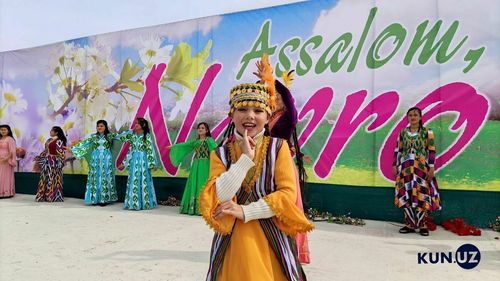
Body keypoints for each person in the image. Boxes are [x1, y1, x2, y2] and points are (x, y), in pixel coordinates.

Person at [200, 81, 314, 281]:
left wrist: (245, 211)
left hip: (270, 239)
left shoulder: (279, 148)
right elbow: (219, 195)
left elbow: (287, 194)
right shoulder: (219, 153)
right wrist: (244, 160)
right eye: (242, 109)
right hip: (231, 241)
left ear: (268, 116)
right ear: (231, 115)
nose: (250, 115)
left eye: (258, 110)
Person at [254, 55, 311, 263]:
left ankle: (290, 247)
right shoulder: (266, 118)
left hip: (283, 161)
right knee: (267, 201)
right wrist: (263, 82)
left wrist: (271, 79)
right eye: (273, 96)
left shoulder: (289, 117)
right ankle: (269, 244)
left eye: (278, 97)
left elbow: (287, 95)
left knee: (286, 203)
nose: (276, 99)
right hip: (265, 161)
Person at [393, 107, 441, 236]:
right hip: (405, 168)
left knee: (422, 194)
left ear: (420, 117)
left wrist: (431, 167)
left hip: (421, 168)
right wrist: (395, 165)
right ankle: (409, 224)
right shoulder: (402, 132)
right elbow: (398, 150)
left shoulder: (427, 132)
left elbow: (431, 150)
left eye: (415, 115)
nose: (413, 117)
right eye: (410, 115)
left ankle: (422, 225)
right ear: (408, 118)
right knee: (406, 193)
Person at [167, 122, 217, 215]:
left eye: (202, 128)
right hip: (196, 165)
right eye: (199, 128)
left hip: (205, 165)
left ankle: (204, 207)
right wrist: (173, 147)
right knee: (194, 182)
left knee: (203, 183)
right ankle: (193, 208)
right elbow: (184, 145)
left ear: (207, 130)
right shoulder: (196, 141)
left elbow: (215, 151)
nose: (200, 129)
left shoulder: (209, 140)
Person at [71, 120, 118, 206]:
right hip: (95, 158)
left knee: (105, 176)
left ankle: (104, 199)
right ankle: (95, 198)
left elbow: (121, 136)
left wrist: (131, 132)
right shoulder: (93, 137)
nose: (99, 127)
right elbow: (84, 144)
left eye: (101, 126)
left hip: (106, 159)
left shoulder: (110, 136)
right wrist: (73, 148)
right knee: (95, 176)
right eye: (98, 126)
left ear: (105, 127)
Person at [116, 118, 158, 210]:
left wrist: (152, 164)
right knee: (134, 179)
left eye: (138, 124)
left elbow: (150, 150)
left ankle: (145, 203)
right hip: (134, 160)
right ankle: (134, 202)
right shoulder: (133, 136)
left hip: (143, 160)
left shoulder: (146, 136)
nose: (136, 125)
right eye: (135, 123)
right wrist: (124, 163)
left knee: (144, 179)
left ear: (143, 126)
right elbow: (130, 150)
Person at [35, 126, 66, 202]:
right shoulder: (49, 140)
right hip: (47, 161)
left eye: (52, 131)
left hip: (54, 162)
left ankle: (52, 196)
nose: (50, 132)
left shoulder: (59, 141)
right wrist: (39, 157)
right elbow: (46, 151)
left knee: (53, 178)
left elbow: (61, 153)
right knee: (45, 178)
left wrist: (60, 162)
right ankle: (43, 196)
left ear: (56, 132)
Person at [0, 124, 16, 198]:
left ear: (8, 131)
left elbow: (12, 151)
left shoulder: (10, 139)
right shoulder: (0, 139)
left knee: (4, 177)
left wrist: (5, 159)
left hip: (6, 161)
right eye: (1, 130)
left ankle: (6, 193)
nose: (3, 131)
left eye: (4, 130)